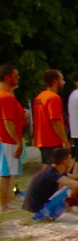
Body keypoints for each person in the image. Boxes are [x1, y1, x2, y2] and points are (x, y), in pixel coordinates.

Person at [23, 147, 78, 220]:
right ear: (64, 161)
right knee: (71, 189)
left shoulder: (53, 170)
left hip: (37, 209)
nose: (72, 160)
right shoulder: (52, 174)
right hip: (38, 213)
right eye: (70, 158)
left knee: (74, 189)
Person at [0, 65, 27, 212]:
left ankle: (8, 199)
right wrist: (18, 142)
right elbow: (8, 121)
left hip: (7, 138)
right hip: (6, 139)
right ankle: (3, 205)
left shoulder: (7, 95)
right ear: (7, 78)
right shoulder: (5, 97)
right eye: (15, 76)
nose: (18, 78)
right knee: (5, 173)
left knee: (9, 172)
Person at [33, 70, 70, 166]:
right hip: (52, 140)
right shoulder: (54, 98)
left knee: (46, 167)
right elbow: (55, 120)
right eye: (62, 79)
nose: (64, 82)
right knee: (56, 168)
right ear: (55, 81)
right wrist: (65, 140)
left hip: (42, 139)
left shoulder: (39, 97)